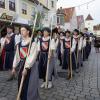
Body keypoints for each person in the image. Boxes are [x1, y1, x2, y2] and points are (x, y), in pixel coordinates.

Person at [12, 25, 40, 100]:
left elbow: (32, 57)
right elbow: (17, 56)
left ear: (28, 31)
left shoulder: (33, 43)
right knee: (21, 82)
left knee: (29, 84)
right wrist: (14, 67)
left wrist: (27, 68)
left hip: (30, 67)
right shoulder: (19, 44)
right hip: (22, 65)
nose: (21, 32)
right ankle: (22, 97)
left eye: (23, 30)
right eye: (21, 30)